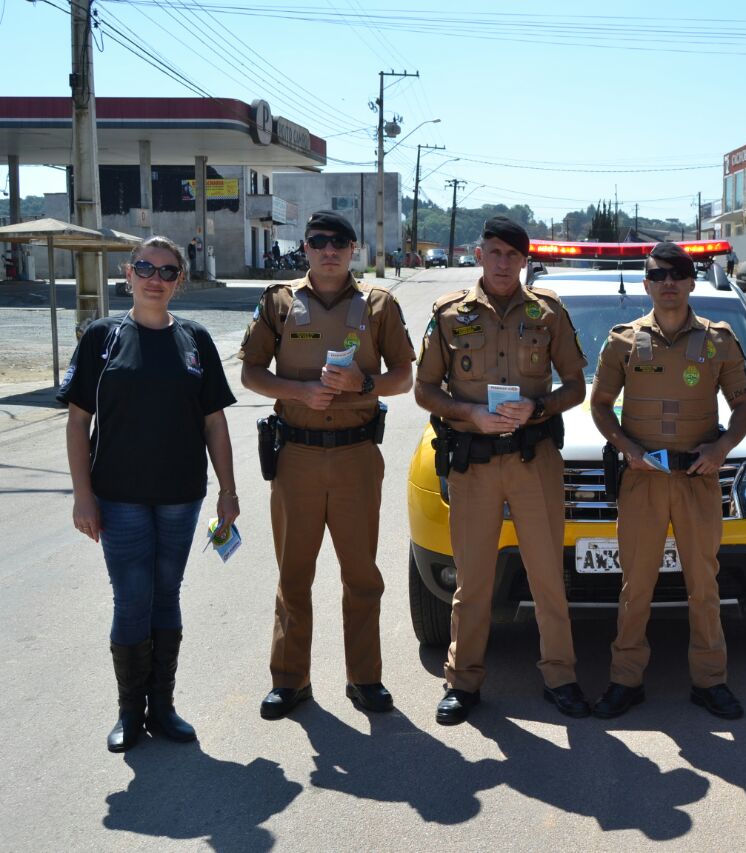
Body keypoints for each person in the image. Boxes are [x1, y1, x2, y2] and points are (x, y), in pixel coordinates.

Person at [59, 236, 238, 752]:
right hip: (118, 497)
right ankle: (129, 713)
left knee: (167, 593)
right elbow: (76, 424)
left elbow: (215, 423)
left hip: (182, 496)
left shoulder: (195, 340)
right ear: (128, 272)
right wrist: (83, 495)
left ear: (179, 280)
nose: (154, 278)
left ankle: (163, 706)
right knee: (132, 597)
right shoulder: (102, 338)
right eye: (145, 268)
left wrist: (228, 491)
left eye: (167, 271)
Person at [239, 210, 416, 720]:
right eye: (319, 241)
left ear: (354, 248)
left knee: (361, 573)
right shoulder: (279, 301)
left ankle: (365, 678)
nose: (329, 250)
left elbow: (404, 376)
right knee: (294, 573)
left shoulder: (379, 304)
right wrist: (299, 391)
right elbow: (251, 372)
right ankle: (290, 680)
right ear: (307, 248)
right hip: (295, 455)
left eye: (339, 242)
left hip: (358, 456)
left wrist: (363, 385)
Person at [415, 215, 589, 725]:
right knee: (473, 579)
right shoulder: (450, 314)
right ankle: (462, 680)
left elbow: (576, 385)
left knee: (546, 578)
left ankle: (561, 676)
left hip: (534, 461)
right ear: (479, 254)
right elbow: (424, 390)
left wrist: (538, 408)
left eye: (513, 255)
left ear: (524, 260)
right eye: (494, 252)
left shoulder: (548, 313)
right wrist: (469, 414)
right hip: (476, 463)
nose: (503, 263)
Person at [590, 242, 746, 720]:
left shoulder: (719, 340)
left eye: (678, 273)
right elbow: (600, 406)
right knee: (635, 585)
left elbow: (744, 406)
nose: (668, 282)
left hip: (697, 480)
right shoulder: (623, 341)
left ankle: (710, 680)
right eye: (658, 274)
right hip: (642, 481)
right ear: (646, 282)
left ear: (690, 281)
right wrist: (629, 450)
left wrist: (721, 449)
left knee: (704, 585)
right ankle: (625, 680)